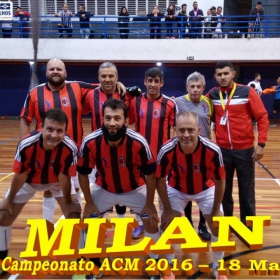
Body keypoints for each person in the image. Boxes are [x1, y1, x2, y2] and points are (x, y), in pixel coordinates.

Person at [20, 58, 126, 223]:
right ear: (46, 72)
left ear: (65, 73)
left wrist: (119, 83)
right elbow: (25, 119)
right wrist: (26, 149)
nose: (56, 72)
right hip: (46, 150)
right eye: (52, 69)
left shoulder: (76, 87)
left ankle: (75, 223)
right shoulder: (35, 93)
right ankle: (47, 224)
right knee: (48, 188)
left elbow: (103, 86)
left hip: (74, 151)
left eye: (59, 69)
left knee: (75, 187)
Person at [78, 98, 163, 279]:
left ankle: (154, 265)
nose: (112, 123)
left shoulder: (139, 142)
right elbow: (83, 174)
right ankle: (94, 266)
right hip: (104, 188)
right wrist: (89, 203)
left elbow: (150, 175)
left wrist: (149, 203)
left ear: (126, 121)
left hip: (135, 189)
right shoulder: (91, 141)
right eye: (108, 118)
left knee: (151, 221)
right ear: (102, 119)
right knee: (91, 221)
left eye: (117, 118)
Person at [0, 109, 81, 276]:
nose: (54, 135)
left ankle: (82, 263)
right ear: (41, 128)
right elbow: (20, 174)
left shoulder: (70, 147)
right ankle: (2, 261)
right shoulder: (26, 144)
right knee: (3, 216)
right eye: (50, 129)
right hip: (29, 182)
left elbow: (64, 176)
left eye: (60, 131)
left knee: (74, 215)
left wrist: (69, 203)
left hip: (57, 182)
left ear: (65, 132)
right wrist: (9, 200)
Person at [155, 111, 227, 279]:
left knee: (219, 225)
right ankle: (169, 267)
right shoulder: (166, 150)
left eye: (190, 130)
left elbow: (220, 180)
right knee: (168, 224)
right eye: (181, 130)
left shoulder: (212, 149)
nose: (186, 134)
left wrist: (216, 209)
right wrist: (166, 208)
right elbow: (160, 179)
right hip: (176, 189)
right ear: (175, 130)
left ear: (198, 129)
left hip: (206, 189)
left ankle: (217, 267)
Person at [83, 62, 142, 239]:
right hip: (99, 151)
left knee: (127, 186)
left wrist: (123, 86)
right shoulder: (90, 95)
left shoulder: (126, 93)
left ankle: (127, 221)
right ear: (98, 78)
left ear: (117, 77)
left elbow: (139, 90)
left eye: (111, 76)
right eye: (103, 76)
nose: (107, 79)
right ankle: (99, 226)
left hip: (124, 149)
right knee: (104, 187)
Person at [206, 61, 269, 225]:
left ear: (233, 74)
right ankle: (227, 222)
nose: (223, 77)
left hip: (245, 149)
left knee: (246, 190)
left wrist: (261, 144)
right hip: (222, 151)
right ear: (215, 77)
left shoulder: (247, 91)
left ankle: (248, 224)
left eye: (226, 73)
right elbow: (197, 104)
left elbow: (262, 117)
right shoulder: (212, 94)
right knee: (224, 190)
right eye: (219, 75)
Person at [175, 72, 213, 241]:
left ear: (203, 88)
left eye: (199, 86)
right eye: (192, 86)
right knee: (186, 187)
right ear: (187, 87)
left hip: (204, 152)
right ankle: (189, 223)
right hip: (183, 150)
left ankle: (203, 225)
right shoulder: (178, 102)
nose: (195, 89)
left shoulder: (208, 103)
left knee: (204, 187)